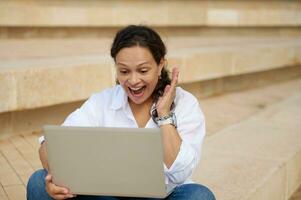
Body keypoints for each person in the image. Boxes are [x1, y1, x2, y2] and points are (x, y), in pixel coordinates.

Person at [27, 25, 215, 200]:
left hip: (164, 195)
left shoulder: (185, 103)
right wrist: (56, 178)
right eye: (124, 71)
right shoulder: (102, 101)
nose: (133, 81)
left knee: (199, 196)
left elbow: (181, 172)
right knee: (39, 182)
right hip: (107, 196)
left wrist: (164, 115)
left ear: (160, 65)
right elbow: (50, 145)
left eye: (143, 70)